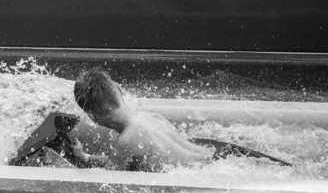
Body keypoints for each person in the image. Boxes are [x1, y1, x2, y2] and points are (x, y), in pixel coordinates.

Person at [69, 69, 253, 172]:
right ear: (118, 90)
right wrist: (85, 156)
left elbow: (105, 179)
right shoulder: (151, 116)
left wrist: (79, 163)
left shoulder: (124, 142)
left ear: (92, 116)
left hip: (209, 175)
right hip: (222, 159)